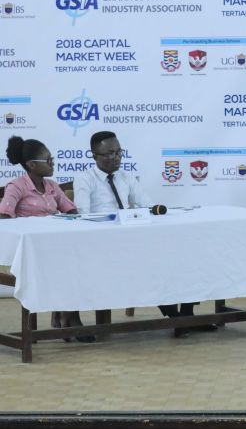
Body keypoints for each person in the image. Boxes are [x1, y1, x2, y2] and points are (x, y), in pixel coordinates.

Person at [74, 131, 210, 338]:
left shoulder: (125, 176)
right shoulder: (85, 179)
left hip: (133, 238)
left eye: (118, 152)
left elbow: (146, 204)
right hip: (104, 244)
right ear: (94, 155)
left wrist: (154, 211)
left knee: (182, 255)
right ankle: (177, 318)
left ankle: (187, 314)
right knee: (149, 265)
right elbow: (83, 214)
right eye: (109, 154)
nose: (116, 158)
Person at [0, 136, 92, 342]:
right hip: (28, 251)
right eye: (48, 160)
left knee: (76, 261)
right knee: (66, 265)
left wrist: (70, 217)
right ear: (31, 165)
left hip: (54, 246)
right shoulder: (16, 186)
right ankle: (70, 317)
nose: (52, 163)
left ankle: (67, 315)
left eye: (52, 159)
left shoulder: (52, 186)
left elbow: (71, 210)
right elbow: (4, 217)